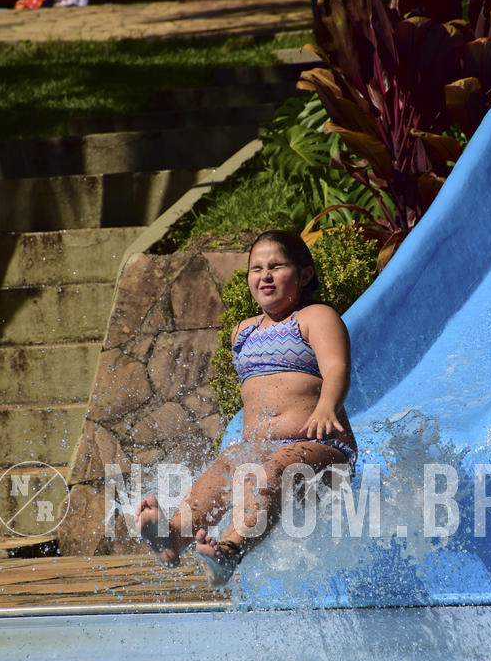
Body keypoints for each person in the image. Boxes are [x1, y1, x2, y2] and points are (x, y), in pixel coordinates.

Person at [136, 230, 357, 587]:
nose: (265, 275)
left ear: (304, 274)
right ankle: (174, 536)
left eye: (276, 266)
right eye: (257, 268)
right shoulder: (243, 333)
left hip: (322, 450)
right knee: (228, 465)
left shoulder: (315, 317)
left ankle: (228, 551)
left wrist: (326, 406)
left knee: (274, 466)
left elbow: (336, 367)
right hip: (263, 450)